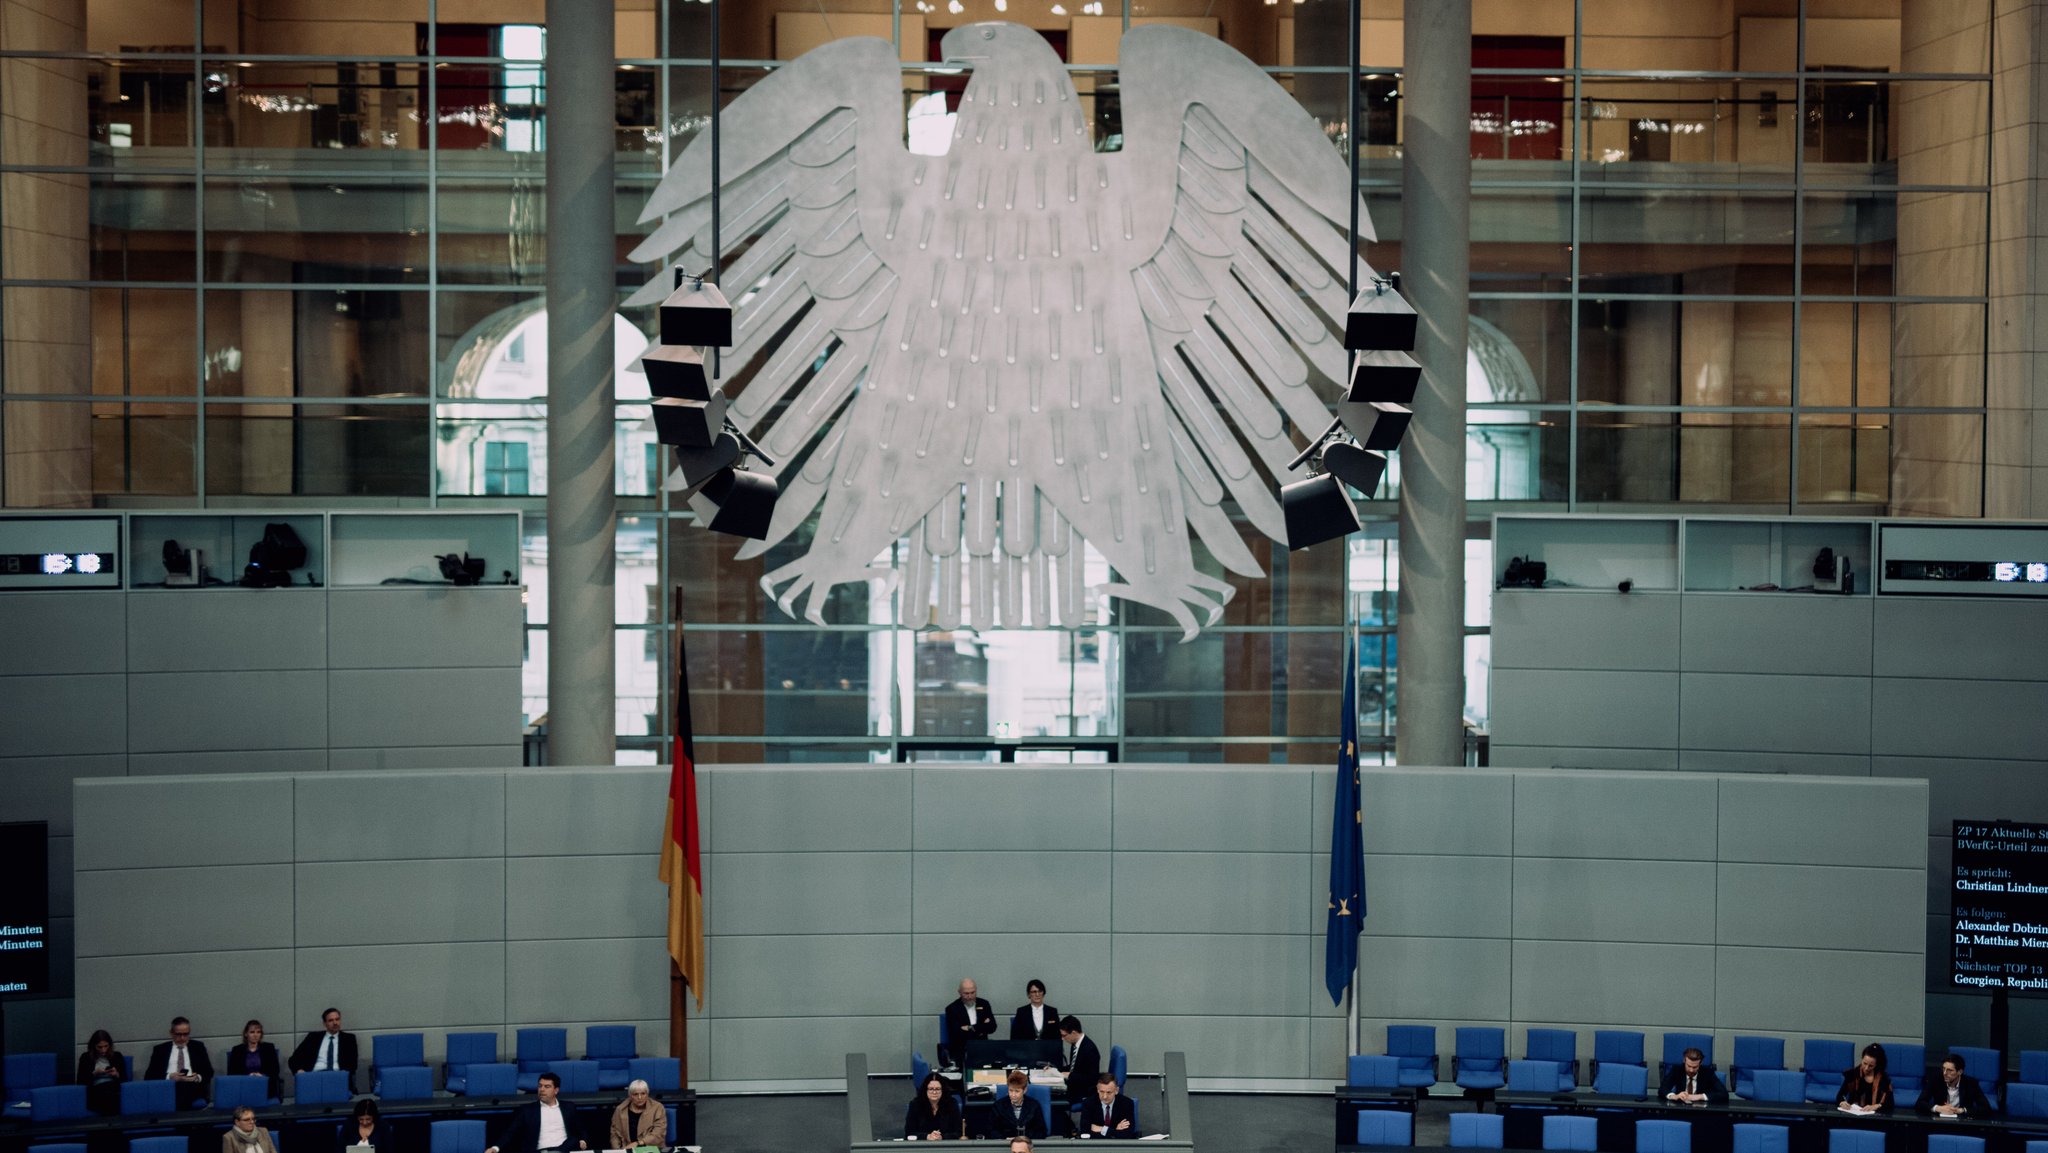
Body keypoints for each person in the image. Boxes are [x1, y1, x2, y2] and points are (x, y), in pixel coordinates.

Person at [487, 1071, 590, 1153]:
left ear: (556, 1090)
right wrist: (495, 1148)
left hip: (564, 1149)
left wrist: (583, 1140)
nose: (542, 1090)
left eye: (547, 1087)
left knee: (572, 1140)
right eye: (540, 1086)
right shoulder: (527, 1110)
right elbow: (510, 1133)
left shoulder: (569, 1107)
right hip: (540, 1151)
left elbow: (580, 1129)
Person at [144, 1016, 214, 1109]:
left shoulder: (198, 1047)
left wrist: (197, 1077)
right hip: (168, 1087)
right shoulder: (160, 1050)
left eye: (186, 1034)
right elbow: (149, 1076)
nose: (182, 1038)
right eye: (178, 1034)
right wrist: (169, 1077)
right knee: (178, 1087)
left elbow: (209, 1071)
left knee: (184, 1086)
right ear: (171, 1033)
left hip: (192, 1086)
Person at [289, 1008, 359, 1092]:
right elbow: (293, 1059)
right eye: (331, 1020)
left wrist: (342, 1075)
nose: (335, 1023)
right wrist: (299, 1070)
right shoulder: (313, 1038)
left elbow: (353, 1064)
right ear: (324, 1024)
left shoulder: (349, 1039)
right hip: (314, 1077)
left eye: (337, 1019)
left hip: (338, 1077)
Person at [1915, 1053, 1994, 1118]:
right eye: (1943, 1069)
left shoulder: (1971, 1083)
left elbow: (1986, 1108)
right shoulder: (1936, 1080)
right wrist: (1938, 1108)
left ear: (1959, 1072)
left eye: (1949, 1070)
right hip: (1939, 1119)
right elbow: (1920, 1103)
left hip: (1962, 1120)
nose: (1944, 1073)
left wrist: (1962, 1110)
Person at [222, 1020, 282, 1101]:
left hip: (265, 1087)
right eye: (252, 1032)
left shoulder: (269, 1048)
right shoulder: (237, 1050)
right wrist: (248, 1077)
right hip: (244, 1087)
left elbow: (275, 1070)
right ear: (246, 1034)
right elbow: (232, 1073)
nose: (255, 1035)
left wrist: (262, 1076)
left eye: (258, 1032)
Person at [942, 978, 997, 1067]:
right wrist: (982, 1029)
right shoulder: (952, 1009)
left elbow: (992, 1027)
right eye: (966, 993)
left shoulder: (984, 1004)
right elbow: (957, 1034)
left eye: (972, 992)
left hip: (982, 1047)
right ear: (959, 992)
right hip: (962, 1049)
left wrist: (970, 1028)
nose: (970, 996)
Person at [76, 1029, 127, 1116]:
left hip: (113, 1090)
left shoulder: (117, 1056)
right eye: (99, 1047)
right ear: (93, 1046)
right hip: (96, 1091)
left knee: (110, 1094)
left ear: (110, 1045)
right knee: (106, 1095)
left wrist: (117, 1074)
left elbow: (125, 1080)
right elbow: (80, 1081)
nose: (103, 1050)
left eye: (106, 1046)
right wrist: (94, 1074)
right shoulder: (85, 1057)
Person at [608, 1078, 669, 1148]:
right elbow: (615, 1134)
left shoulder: (658, 1108)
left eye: (643, 1093)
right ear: (630, 1096)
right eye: (636, 1094)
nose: (640, 1097)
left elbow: (658, 1134)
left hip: (652, 1148)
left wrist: (638, 1143)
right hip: (627, 1149)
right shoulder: (620, 1109)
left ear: (647, 1094)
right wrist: (618, 1151)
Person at [989, 1070, 1047, 1141]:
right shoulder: (998, 1106)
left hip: (1028, 1143)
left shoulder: (1034, 1106)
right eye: (1010, 1090)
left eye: (1017, 1091)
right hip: (1006, 1144)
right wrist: (1005, 1138)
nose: (1013, 1095)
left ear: (1024, 1090)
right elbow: (992, 1130)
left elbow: (1042, 1131)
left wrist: (1025, 1139)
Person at [903, 1072, 963, 1140]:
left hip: (945, 1147)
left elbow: (959, 1132)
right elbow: (908, 1133)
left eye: (937, 1089)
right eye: (931, 1089)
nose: (934, 1092)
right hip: (922, 1147)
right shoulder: (915, 1104)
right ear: (925, 1090)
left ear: (942, 1090)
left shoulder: (951, 1104)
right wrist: (927, 1136)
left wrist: (942, 1137)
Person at [1658, 1047, 1727, 1106]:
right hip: (1680, 1107)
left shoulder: (1708, 1072)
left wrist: (1699, 1096)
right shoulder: (1677, 1070)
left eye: (1695, 1067)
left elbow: (1724, 1094)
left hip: (1702, 1108)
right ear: (1684, 1061)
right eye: (1689, 1066)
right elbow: (1662, 1089)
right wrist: (1675, 1096)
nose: (1691, 1070)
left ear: (1701, 1063)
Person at [1077, 1072, 1137, 1139]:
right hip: (1096, 1146)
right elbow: (1085, 1134)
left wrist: (1103, 1129)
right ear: (1097, 1089)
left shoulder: (1127, 1103)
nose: (1105, 1097)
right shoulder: (1088, 1103)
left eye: (1109, 1092)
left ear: (1116, 1090)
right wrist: (1115, 1130)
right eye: (1101, 1092)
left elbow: (1128, 1134)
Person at [1837, 1044, 1894, 1113]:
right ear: (1862, 1059)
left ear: (1876, 1065)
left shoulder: (1884, 1079)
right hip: (1855, 1113)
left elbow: (1890, 1103)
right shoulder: (1852, 1074)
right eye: (1864, 1063)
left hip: (1875, 1115)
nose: (1866, 1068)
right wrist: (1842, 1102)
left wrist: (1877, 1106)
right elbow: (1840, 1095)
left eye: (1871, 1066)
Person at [1060, 1016, 1101, 1105]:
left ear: (1073, 1033)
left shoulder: (1090, 1050)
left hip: (1083, 1091)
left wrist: (1070, 1075)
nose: (1062, 1039)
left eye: (1064, 1035)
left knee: (1052, 1099)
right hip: (1075, 1084)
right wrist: (1056, 1069)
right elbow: (1074, 1066)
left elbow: (1092, 1080)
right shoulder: (1075, 1044)